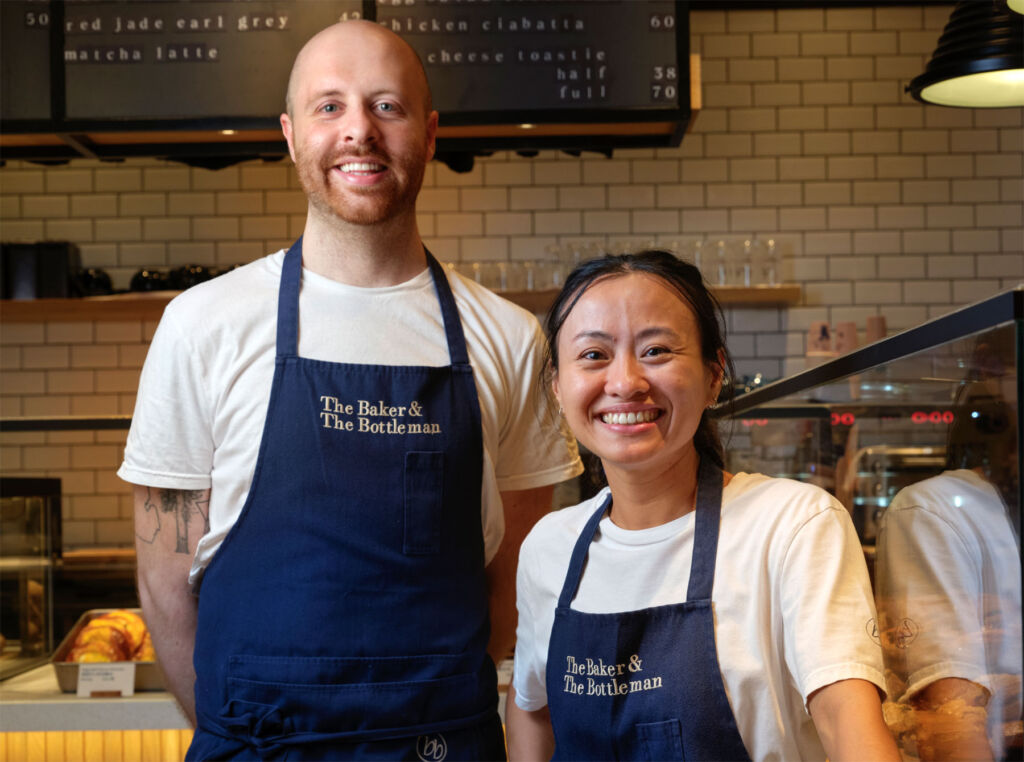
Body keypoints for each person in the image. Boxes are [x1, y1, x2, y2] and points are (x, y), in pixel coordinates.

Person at [118, 20, 581, 761]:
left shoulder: (508, 337)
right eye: (329, 106)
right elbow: (164, 579)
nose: (358, 130)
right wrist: (234, 728)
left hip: (440, 743)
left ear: (430, 134)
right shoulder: (202, 325)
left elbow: (513, 580)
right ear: (291, 135)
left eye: (387, 106)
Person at [505, 251, 901, 761]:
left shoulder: (793, 525)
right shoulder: (548, 546)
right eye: (593, 355)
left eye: (657, 350)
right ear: (559, 387)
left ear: (714, 376)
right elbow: (530, 708)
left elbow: (849, 724)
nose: (625, 382)